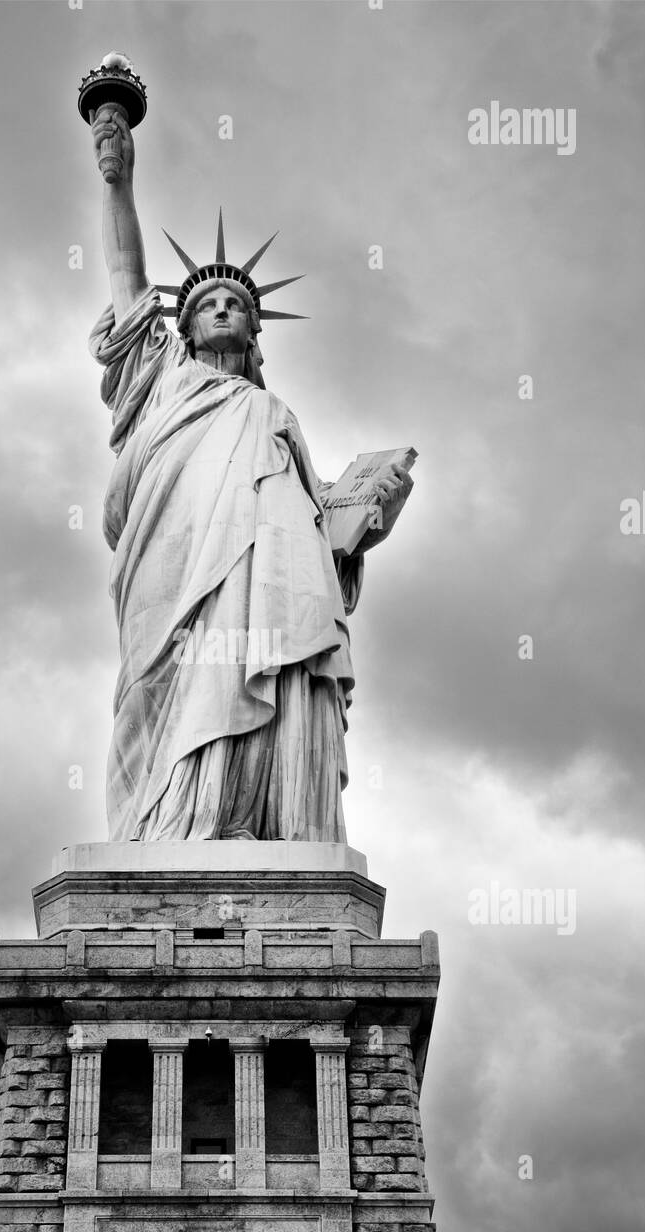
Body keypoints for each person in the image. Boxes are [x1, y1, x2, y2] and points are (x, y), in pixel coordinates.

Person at [88, 105, 413, 843]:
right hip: (175, 562)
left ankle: (257, 816)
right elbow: (124, 277)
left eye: (236, 303)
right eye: (208, 305)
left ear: (254, 329)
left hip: (270, 566)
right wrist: (117, 178)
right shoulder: (162, 380)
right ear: (186, 327)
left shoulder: (274, 414)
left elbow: (318, 512)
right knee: (176, 677)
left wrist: (363, 514)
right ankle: (173, 818)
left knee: (273, 653)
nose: (224, 310)